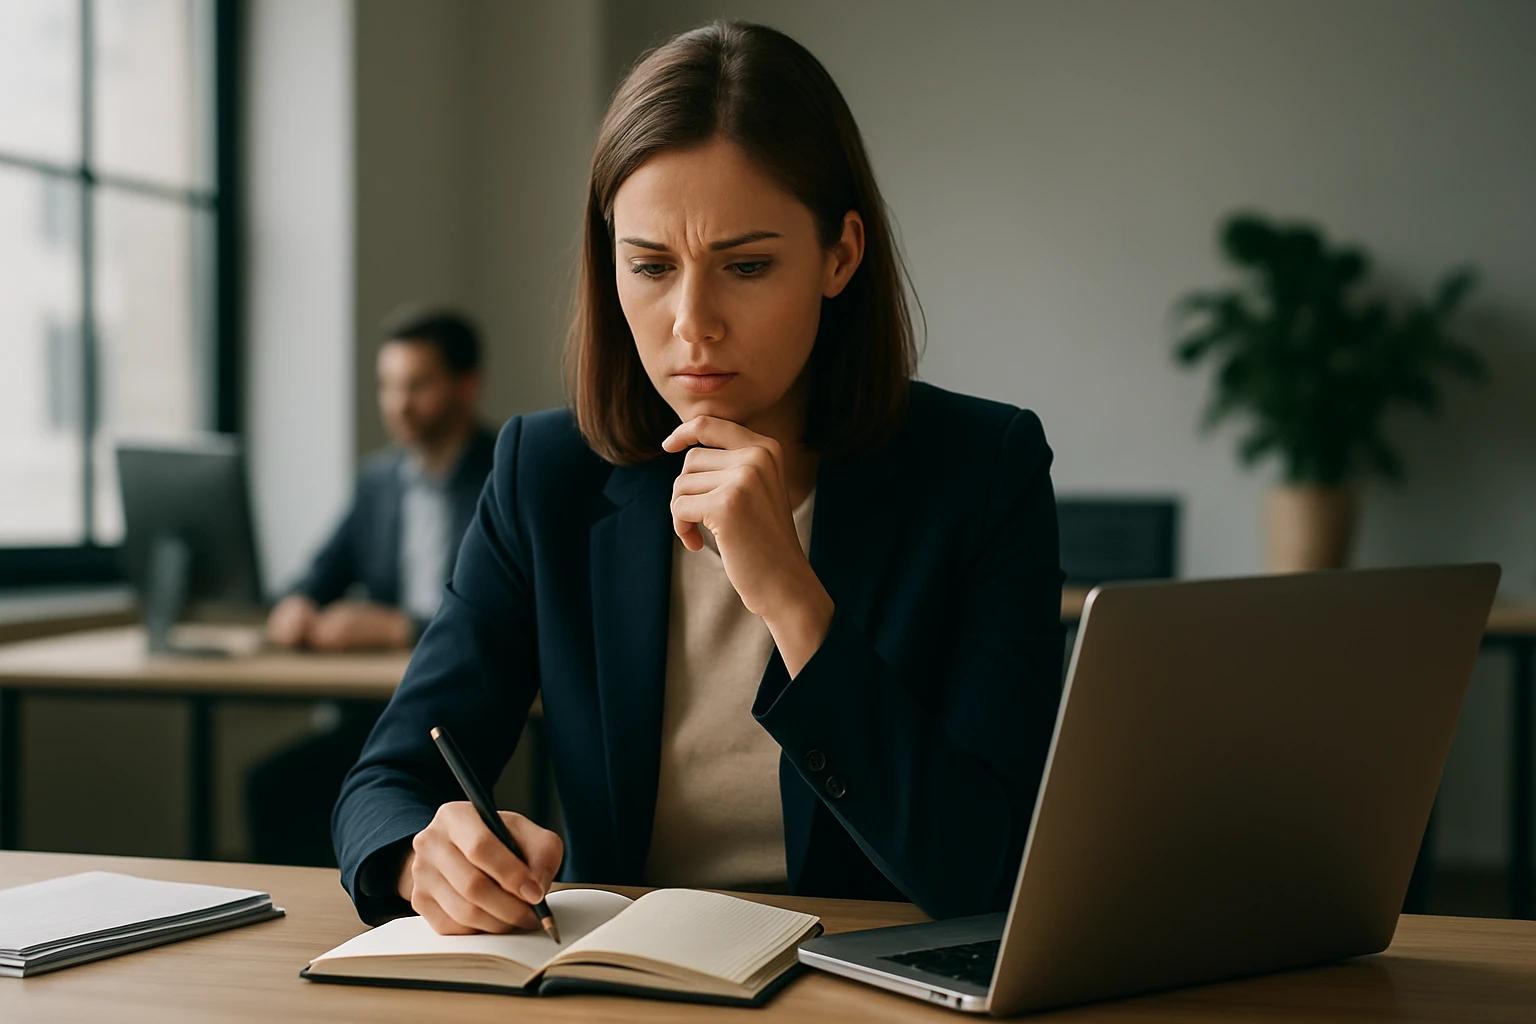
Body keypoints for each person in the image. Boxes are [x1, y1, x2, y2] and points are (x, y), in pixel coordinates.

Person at [334, 21, 1065, 934]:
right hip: (630, 986)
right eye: (649, 266)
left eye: (747, 266)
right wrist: (420, 855)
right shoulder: (545, 473)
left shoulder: (982, 472)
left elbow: (983, 871)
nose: (692, 323)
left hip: (872, 988)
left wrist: (795, 601)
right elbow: (386, 780)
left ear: (841, 255)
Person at [247, 309, 496, 866]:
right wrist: (298, 605)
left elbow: (511, 615)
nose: (397, 405)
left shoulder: (504, 474)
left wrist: (398, 627)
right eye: (387, 387)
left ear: (466, 385)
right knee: (278, 787)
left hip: (473, 712)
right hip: (374, 706)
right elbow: (321, 572)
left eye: (417, 386)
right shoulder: (379, 481)